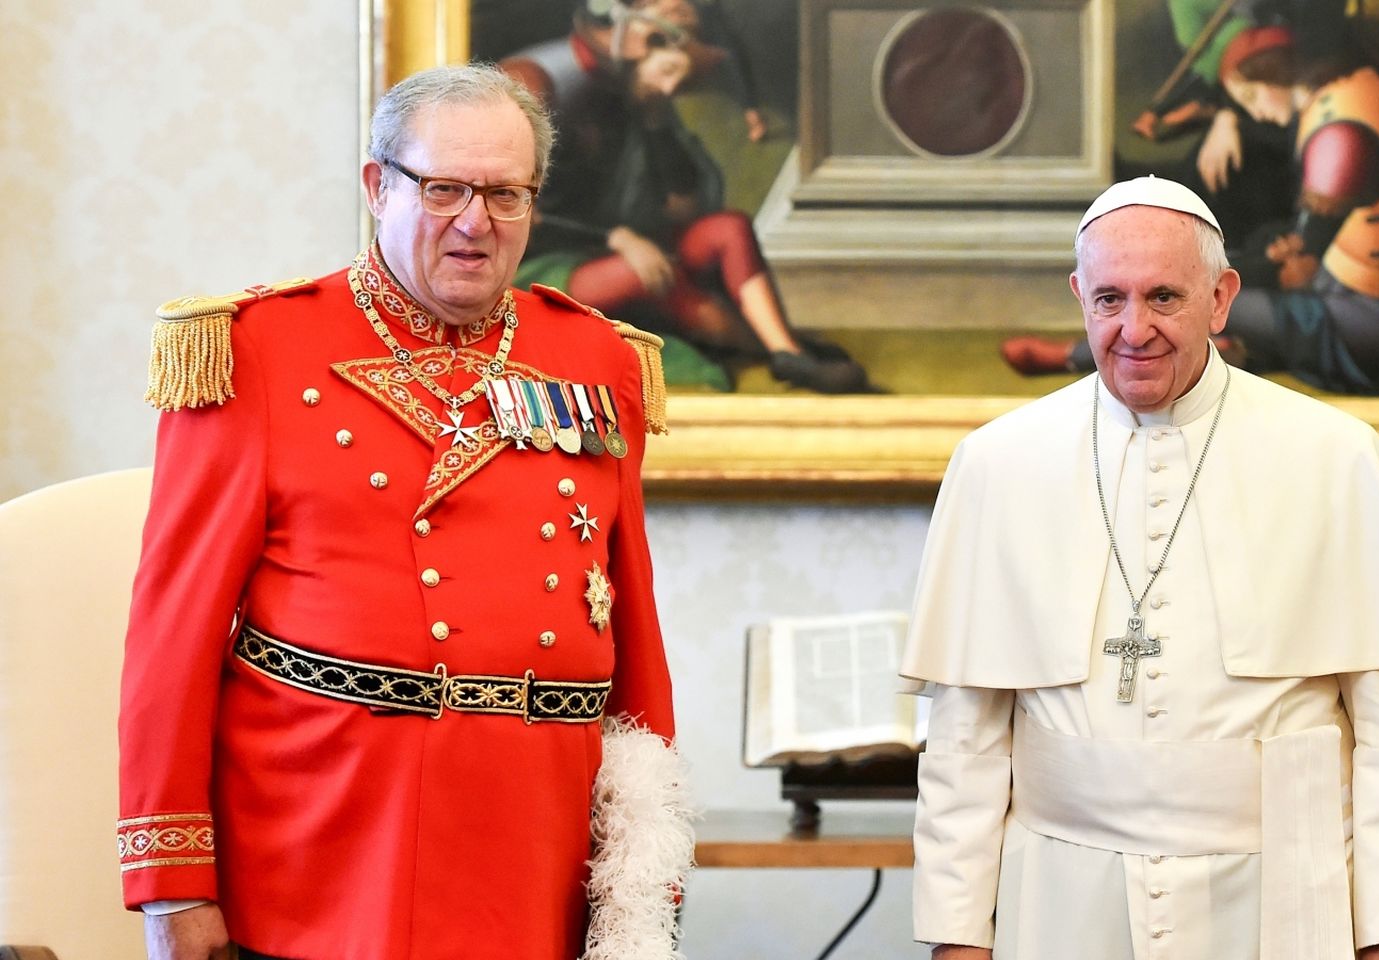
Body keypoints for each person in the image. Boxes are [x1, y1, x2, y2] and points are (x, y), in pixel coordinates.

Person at [118, 65, 691, 960]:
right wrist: (171, 883)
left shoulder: (596, 356)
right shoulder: (254, 350)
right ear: (377, 185)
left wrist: (645, 867)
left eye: (505, 193)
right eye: (444, 187)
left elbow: (631, 619)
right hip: (328, 843)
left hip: (539, 840)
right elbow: (174, 633)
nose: (475, 220)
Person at [901, 175, 1379, 959]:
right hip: (1061, 902)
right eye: (1109, 299)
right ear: (1079, 296)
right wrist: (957, 940)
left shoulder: (1333, 456)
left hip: (1282, 901)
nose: (1134, 329)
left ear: (1222, 297)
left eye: (1164, 297)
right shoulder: (998, 463)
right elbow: (963, 747)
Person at [500, 0, 871, 394]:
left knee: (727, 228)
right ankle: (775, 350)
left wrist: (658, 129)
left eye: (681, 78)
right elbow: (515, 209)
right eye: (669, 70)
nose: (673, 86)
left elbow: (685, 208)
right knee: (655, 275)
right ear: (640, 41)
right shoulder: (540, 81)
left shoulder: (640, 99)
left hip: (621, 246)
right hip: (546, 264)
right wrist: (617, 239)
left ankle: (783, 349)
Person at [1216, 24, 1379, 395]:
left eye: (1253, 95)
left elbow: (1302, 265)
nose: (1255, 113)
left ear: (1276, 72)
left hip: (1377, 325)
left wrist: (1247, 270)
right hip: (1368, 297)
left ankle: (1086, 358)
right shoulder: (1353, 92)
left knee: (1202, 304)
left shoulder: (1338, 130)